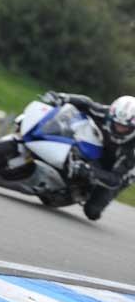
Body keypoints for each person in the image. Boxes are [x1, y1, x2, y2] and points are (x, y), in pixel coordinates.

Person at [40, 92, 135, 220]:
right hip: (100, 151)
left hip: (118, 173)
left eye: (124, 127)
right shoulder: (105, 113)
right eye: (116, 123)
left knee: (92, 212)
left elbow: (115, 179)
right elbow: (87, 103)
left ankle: (80, 193)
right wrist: (62, 97)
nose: (119, 128)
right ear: (111, 116)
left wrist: (90, 171)